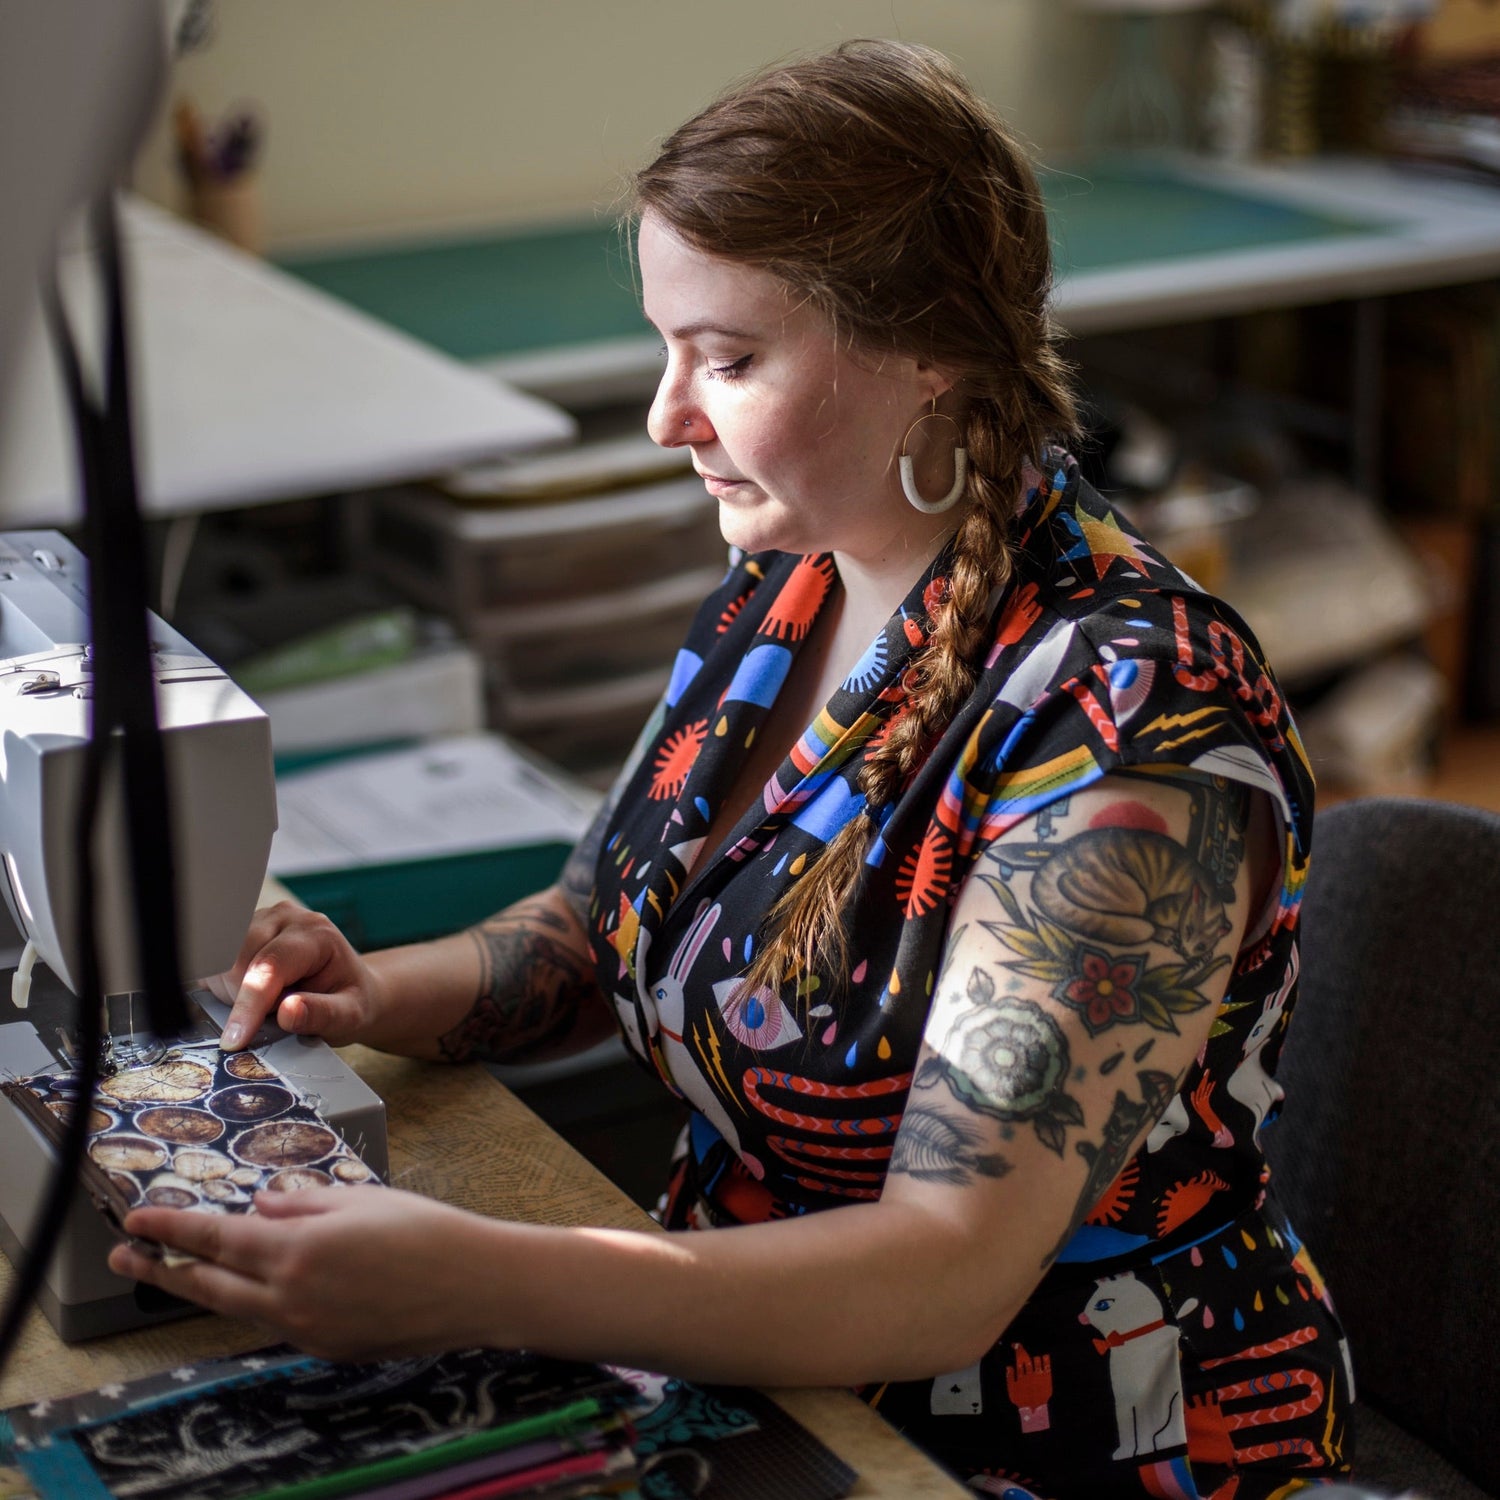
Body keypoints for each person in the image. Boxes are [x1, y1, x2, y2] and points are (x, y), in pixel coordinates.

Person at [111, 39, 1353, 1499]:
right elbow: (601, 919)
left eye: (731, 358)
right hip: (751, 1368)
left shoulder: (1137, 725)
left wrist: (493, 1277)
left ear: (931, 349)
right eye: (667, 346)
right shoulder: (799, 584)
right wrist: (391, 989)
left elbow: (947, 1275)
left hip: (1045, 1446)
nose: (665, 417)